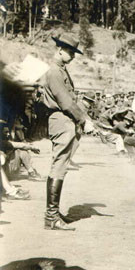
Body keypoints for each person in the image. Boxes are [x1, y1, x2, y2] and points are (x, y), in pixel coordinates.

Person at [41, 33, 91, 231]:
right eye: (70, 52)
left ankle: (53, 214)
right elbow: (65, 100)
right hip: (60, 119)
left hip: (64, 120)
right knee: (59, 165)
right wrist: (83, 119)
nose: (73, 56)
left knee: (61, 165)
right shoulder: (54, 71)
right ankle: (51, 217)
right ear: (59, 49)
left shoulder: (61, 70)